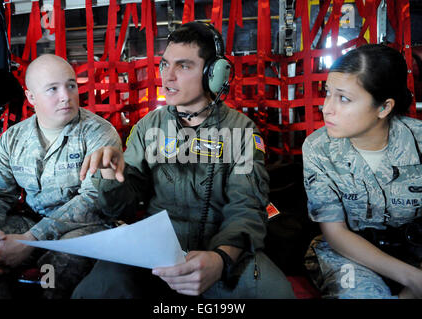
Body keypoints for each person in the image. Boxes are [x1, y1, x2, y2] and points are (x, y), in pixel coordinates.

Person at [71, 22, 295, 299]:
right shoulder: (148, 127)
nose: (168, 77)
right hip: (157, 250)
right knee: (98, 288)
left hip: (221, 248)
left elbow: (247, 207)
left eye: (184, 66)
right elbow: (124, 206)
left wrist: (221, 259)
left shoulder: (242, 131)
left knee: (275, 292)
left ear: (214, 74)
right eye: (165, 65)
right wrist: (109, 176)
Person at [0, 54, 122, 298]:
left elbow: (94, 199)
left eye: (71, 85)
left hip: (85, 225)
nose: (66, 96)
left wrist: (31, 240)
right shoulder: (13, 139)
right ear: (31, 97)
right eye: (52, 89)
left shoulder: (98, 133)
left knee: (61, 262)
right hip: (32, 220)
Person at [302, 44, 422, 299]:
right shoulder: (318, 148)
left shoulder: (421, 143)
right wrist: (413, 280)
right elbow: (335, 233)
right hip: (351, 254)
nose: (326, 108)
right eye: (327, 94)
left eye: (343, 98)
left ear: (384, 107)